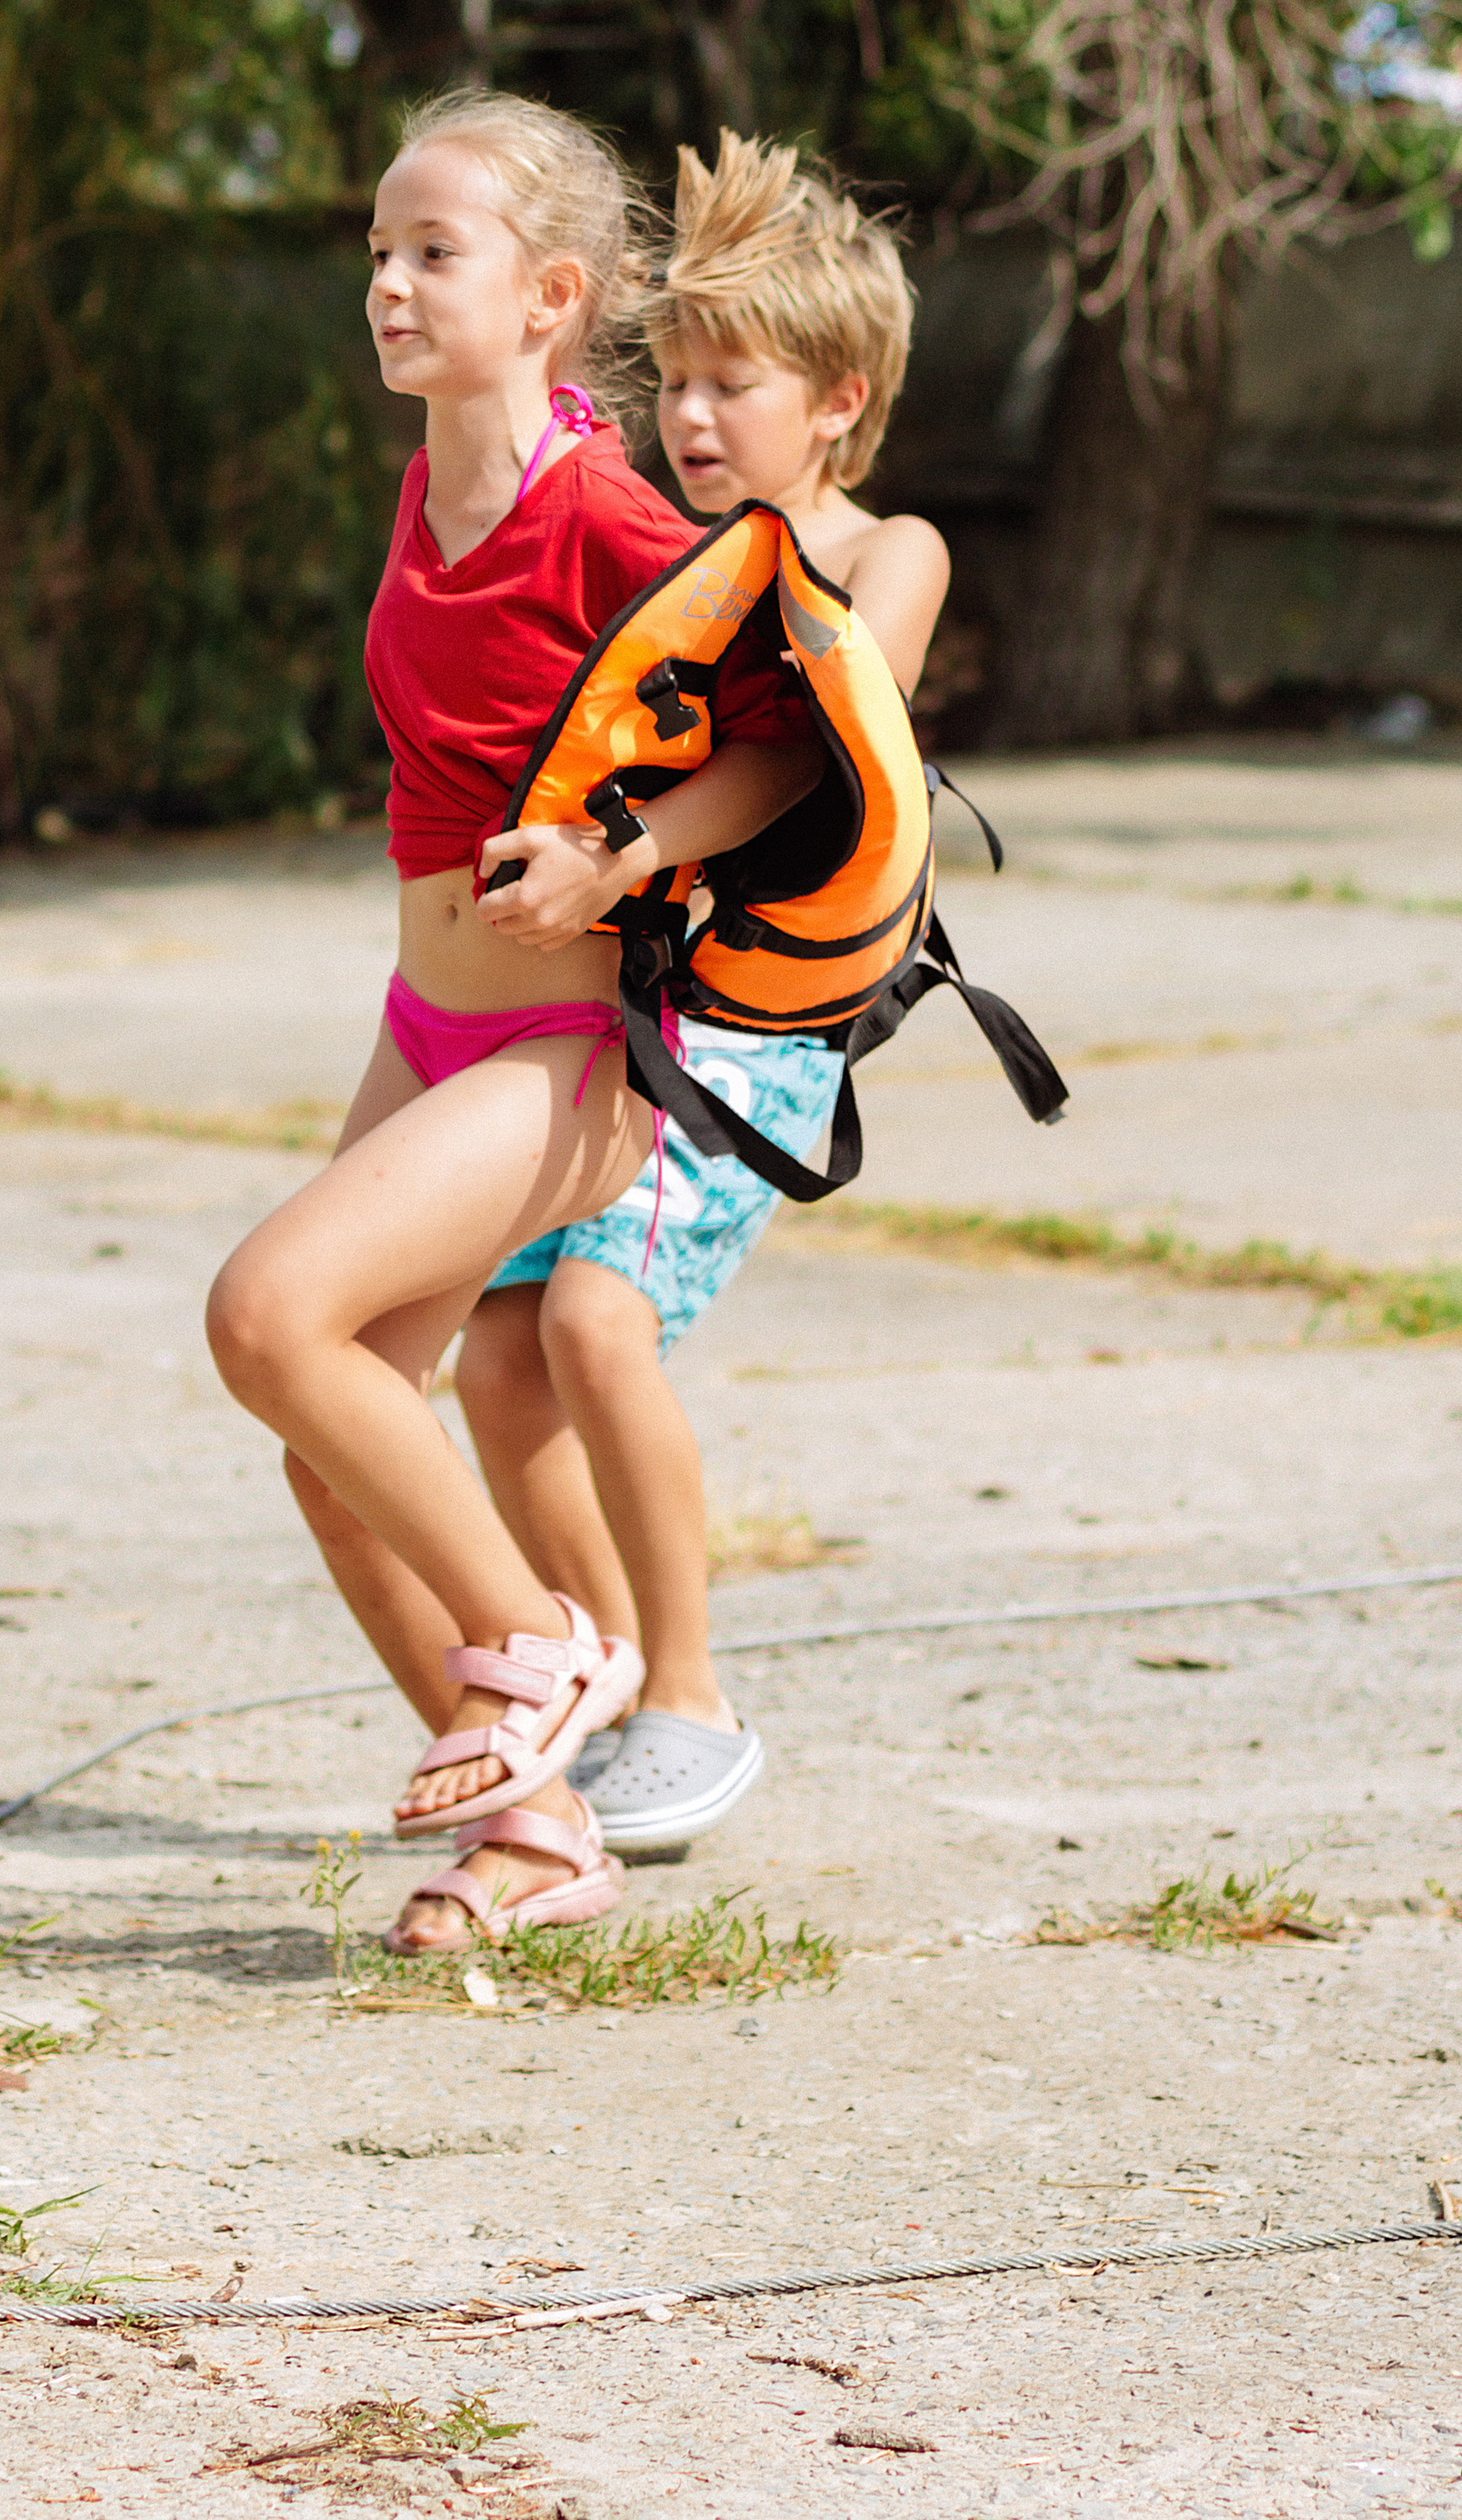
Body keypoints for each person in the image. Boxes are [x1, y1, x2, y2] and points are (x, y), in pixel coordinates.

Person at [205, 93, 822, 1955]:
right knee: (331, 1447)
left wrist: (620, 846)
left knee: (261, 1317)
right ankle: (542, 1836)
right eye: (375, 253)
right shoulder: (428, 481)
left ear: (549, 296)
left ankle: (543, 1645)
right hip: (424, 1022)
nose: (386, 284)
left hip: (575, 1056)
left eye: (431, 254)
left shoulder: (608, 515)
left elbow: (797, 744)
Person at [450, 130, 952, 1859]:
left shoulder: (886, 552)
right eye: (670, 382)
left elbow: (804, 734)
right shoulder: (677, 553)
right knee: (503, 1358)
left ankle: (689, 1696)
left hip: (753, 1036)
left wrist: (622, 840)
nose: (687, 416)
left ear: (838, 398)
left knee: (596, 1324)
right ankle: (598, 1670)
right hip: (626, 1012)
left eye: (731, 383)